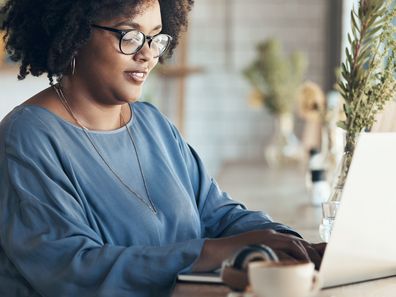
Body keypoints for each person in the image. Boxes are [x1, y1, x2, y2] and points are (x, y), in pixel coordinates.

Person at [0, 0, 325, 296]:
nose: (148, 54)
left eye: (155, 37)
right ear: (73, 35)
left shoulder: (153, 124)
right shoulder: (27, 137)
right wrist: (215, 251)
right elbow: (72, 270)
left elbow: (218, 214)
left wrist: (294, 244)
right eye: (129, 35)